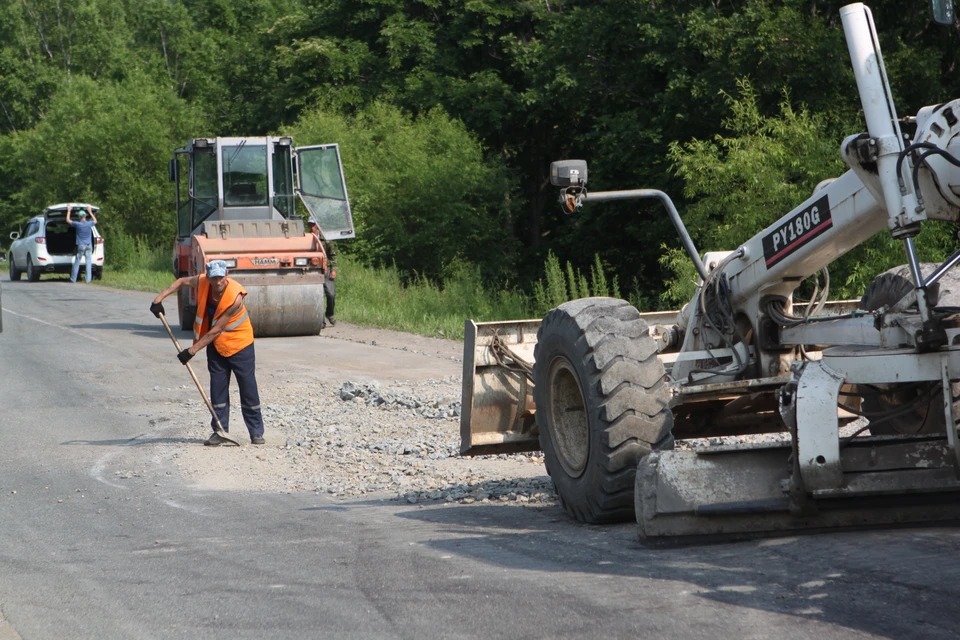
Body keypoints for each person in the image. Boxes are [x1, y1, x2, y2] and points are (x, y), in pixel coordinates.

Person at [150, 260, 266, 446]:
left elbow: (216, 330)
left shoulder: (235, 297)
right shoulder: (203, 281)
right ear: (208, 277)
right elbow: (180, 282)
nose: (217, 282)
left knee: (248, 388)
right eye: (214, 278)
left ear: (226, 274)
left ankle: (256, 432)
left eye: (220, 277)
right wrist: (158, 299)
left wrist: (191, 351)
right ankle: (220, 430)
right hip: (216, 346)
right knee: (217, 389)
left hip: (240, 345)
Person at [307, 217, 337, 327]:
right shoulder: (306, 238)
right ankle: (320, 320)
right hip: (312, 269)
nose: (311, 227)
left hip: (325, 268)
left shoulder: (326, 239)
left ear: (317, 225)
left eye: (313, 224)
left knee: (331, 294)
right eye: (309, 224)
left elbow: (332, 255)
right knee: (316, 295)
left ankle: (330, 314)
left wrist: (333, 269)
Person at [66, 205, 98, 283]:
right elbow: (95, 221)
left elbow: (68, 220)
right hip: (89, 245)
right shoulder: (89, 224)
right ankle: (88, 280)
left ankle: (73, 279)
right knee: (88, 262)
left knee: (77, 261)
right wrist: (90, 211)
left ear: (80, 217)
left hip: (81, 245)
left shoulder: (78, 224)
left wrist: (69, 210)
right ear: (85, 216)